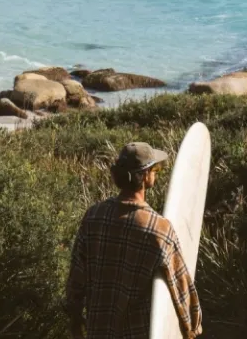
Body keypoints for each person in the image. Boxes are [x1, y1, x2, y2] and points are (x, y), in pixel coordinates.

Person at [65, 142, 203, 339]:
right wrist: (192, 328)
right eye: (155, 169)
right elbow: (181, 287)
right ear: (146, 175)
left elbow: (76, 280)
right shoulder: (158, 229)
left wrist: (75, 321)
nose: (156, 173)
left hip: (98, 331)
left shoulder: (93, 216)